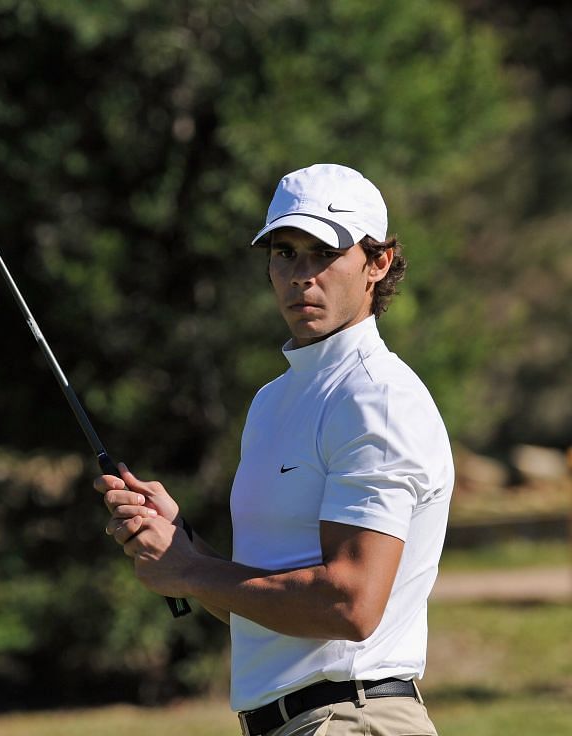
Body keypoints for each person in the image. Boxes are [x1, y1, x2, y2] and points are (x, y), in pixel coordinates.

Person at [95, 163, 454, 736]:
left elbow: (349, 607)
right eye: (285, 253)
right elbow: (264, 602)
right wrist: (183, 542)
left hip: (354, 719)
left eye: (324, 253)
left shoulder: (376, 397)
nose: (300, 275)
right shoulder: (273, 402)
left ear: (377, 264)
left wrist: (190, 572)